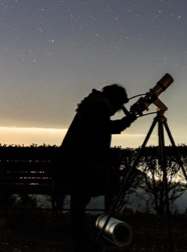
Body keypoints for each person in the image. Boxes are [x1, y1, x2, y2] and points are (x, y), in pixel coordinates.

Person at [54, 83, 136, 251]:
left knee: (79, 204)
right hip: (79, 163)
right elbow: (109, 127)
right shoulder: (97, 107)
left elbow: (102, 128)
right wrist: (131, 118)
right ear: (114, 101)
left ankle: (81, 241)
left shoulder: (93, 104)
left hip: (75, 162)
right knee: (78, 204)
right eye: (118, 107)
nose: (115, 112)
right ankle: (81, 243)